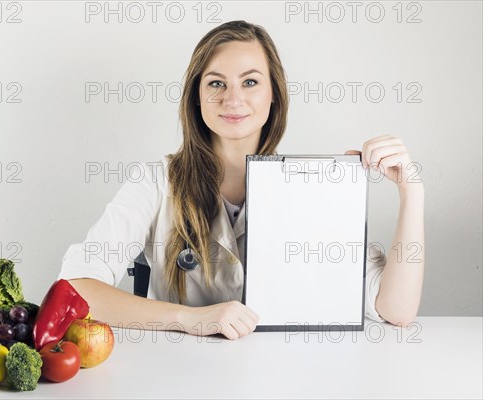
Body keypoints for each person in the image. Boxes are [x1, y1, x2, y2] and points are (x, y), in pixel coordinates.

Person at [58, 20, 425, 340]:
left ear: (273, 97)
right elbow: (74, 288)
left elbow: (395, 310)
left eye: (250, 81)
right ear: (197, 98)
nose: (233, 98)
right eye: (216, 83)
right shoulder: (155, 181)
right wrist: (188, 319)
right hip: (175, 377)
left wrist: (411, 192)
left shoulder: (315, 187)